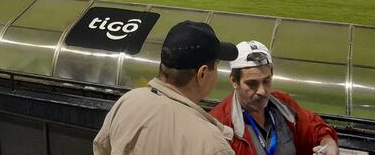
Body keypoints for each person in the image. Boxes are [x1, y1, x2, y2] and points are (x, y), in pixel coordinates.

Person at [94, 20, 238, 155]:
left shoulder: (127, 101)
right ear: (202, 73)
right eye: (217, 65)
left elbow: (100, 149)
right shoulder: (212, 145)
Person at [210, 41, 339, 155]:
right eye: (252, 83)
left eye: (266, 81)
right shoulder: (219, 125)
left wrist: (328, 144)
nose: (262, 91)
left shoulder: (282, 103)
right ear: (234, 81)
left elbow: (317, 128)